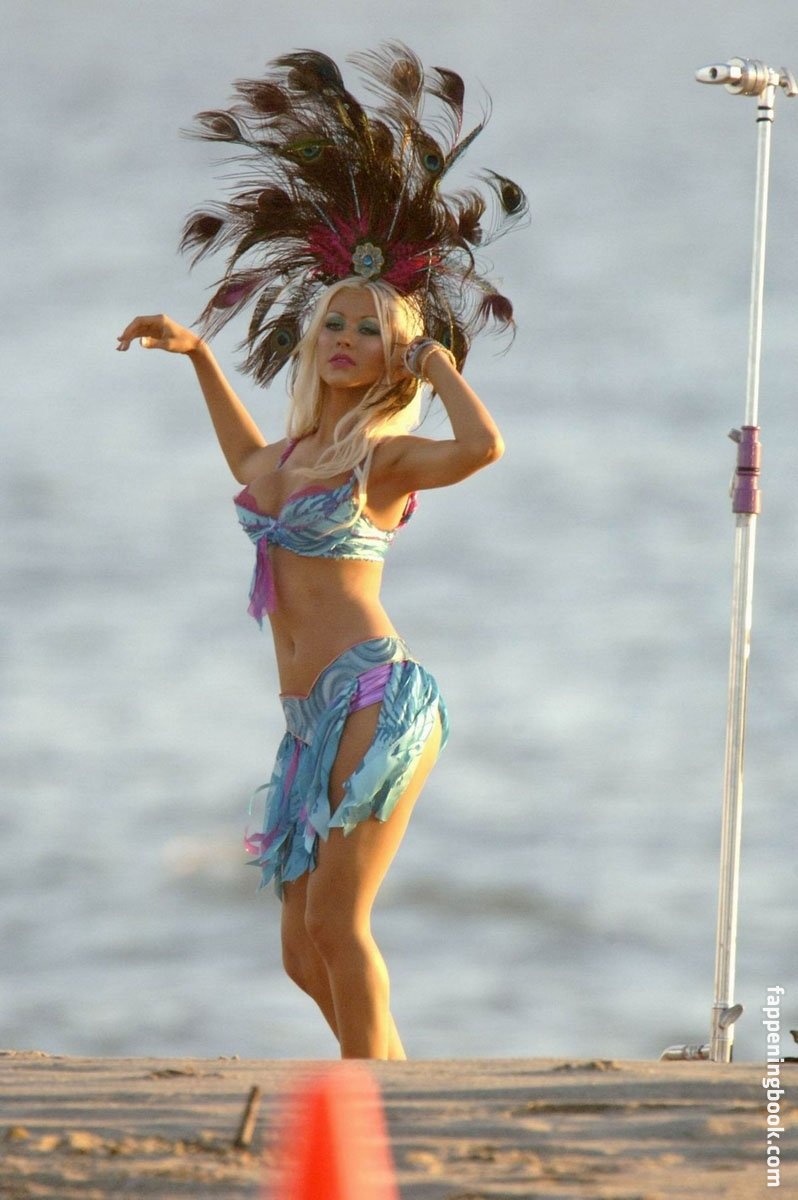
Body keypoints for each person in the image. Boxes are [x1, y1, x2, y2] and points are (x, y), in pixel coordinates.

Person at [117, 44, 525, 1060]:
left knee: (339, 926)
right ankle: (388, 1082)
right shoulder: (293, 457)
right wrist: (199, 355)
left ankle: (377, 1103)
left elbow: (483, 448)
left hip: (372, 695)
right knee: (303, 951)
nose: (344, 337)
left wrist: (436, 360)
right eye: (332, 324)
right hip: (307, 719)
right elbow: (246, 460)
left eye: (366, 331)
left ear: (392, 355)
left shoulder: (382, 459)